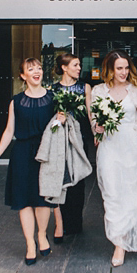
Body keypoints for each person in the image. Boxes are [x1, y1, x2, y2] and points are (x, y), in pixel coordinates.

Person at [90, 50, 137, 267]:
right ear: (110, 70)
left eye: (126, 68)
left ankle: (122, 241)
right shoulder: (98, 91)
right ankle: (119, 241)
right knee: (113, 195)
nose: (123, 72)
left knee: (131, 194)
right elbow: (95, 126)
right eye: (119, 68)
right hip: (110, 148)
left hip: (132, 146)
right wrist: (98, 127)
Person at [0, 57, 56, 265]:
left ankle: (42, 235)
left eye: (39, 68)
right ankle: (29, 243)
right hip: (22, 153)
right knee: (24, 201)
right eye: (31, 69)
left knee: (43, 198)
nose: (36, 71)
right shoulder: (16, 101)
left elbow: (62, 127)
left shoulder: (54, 98)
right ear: (23, 75)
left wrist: (61, 119)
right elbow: (9, 131)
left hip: (46, 153)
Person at [49, 53, 94, 240]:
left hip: (80, 137)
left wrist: (96, 132)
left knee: (78, 178)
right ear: (64, 67)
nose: (79, 68)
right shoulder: (52, 89)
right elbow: (48, 119)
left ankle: (76, 221)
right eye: (75, 65)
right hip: (60, 139)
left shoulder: (85, 87)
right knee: (61, 179)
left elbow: (90, 112)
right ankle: (62, 222)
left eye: (79, 64)